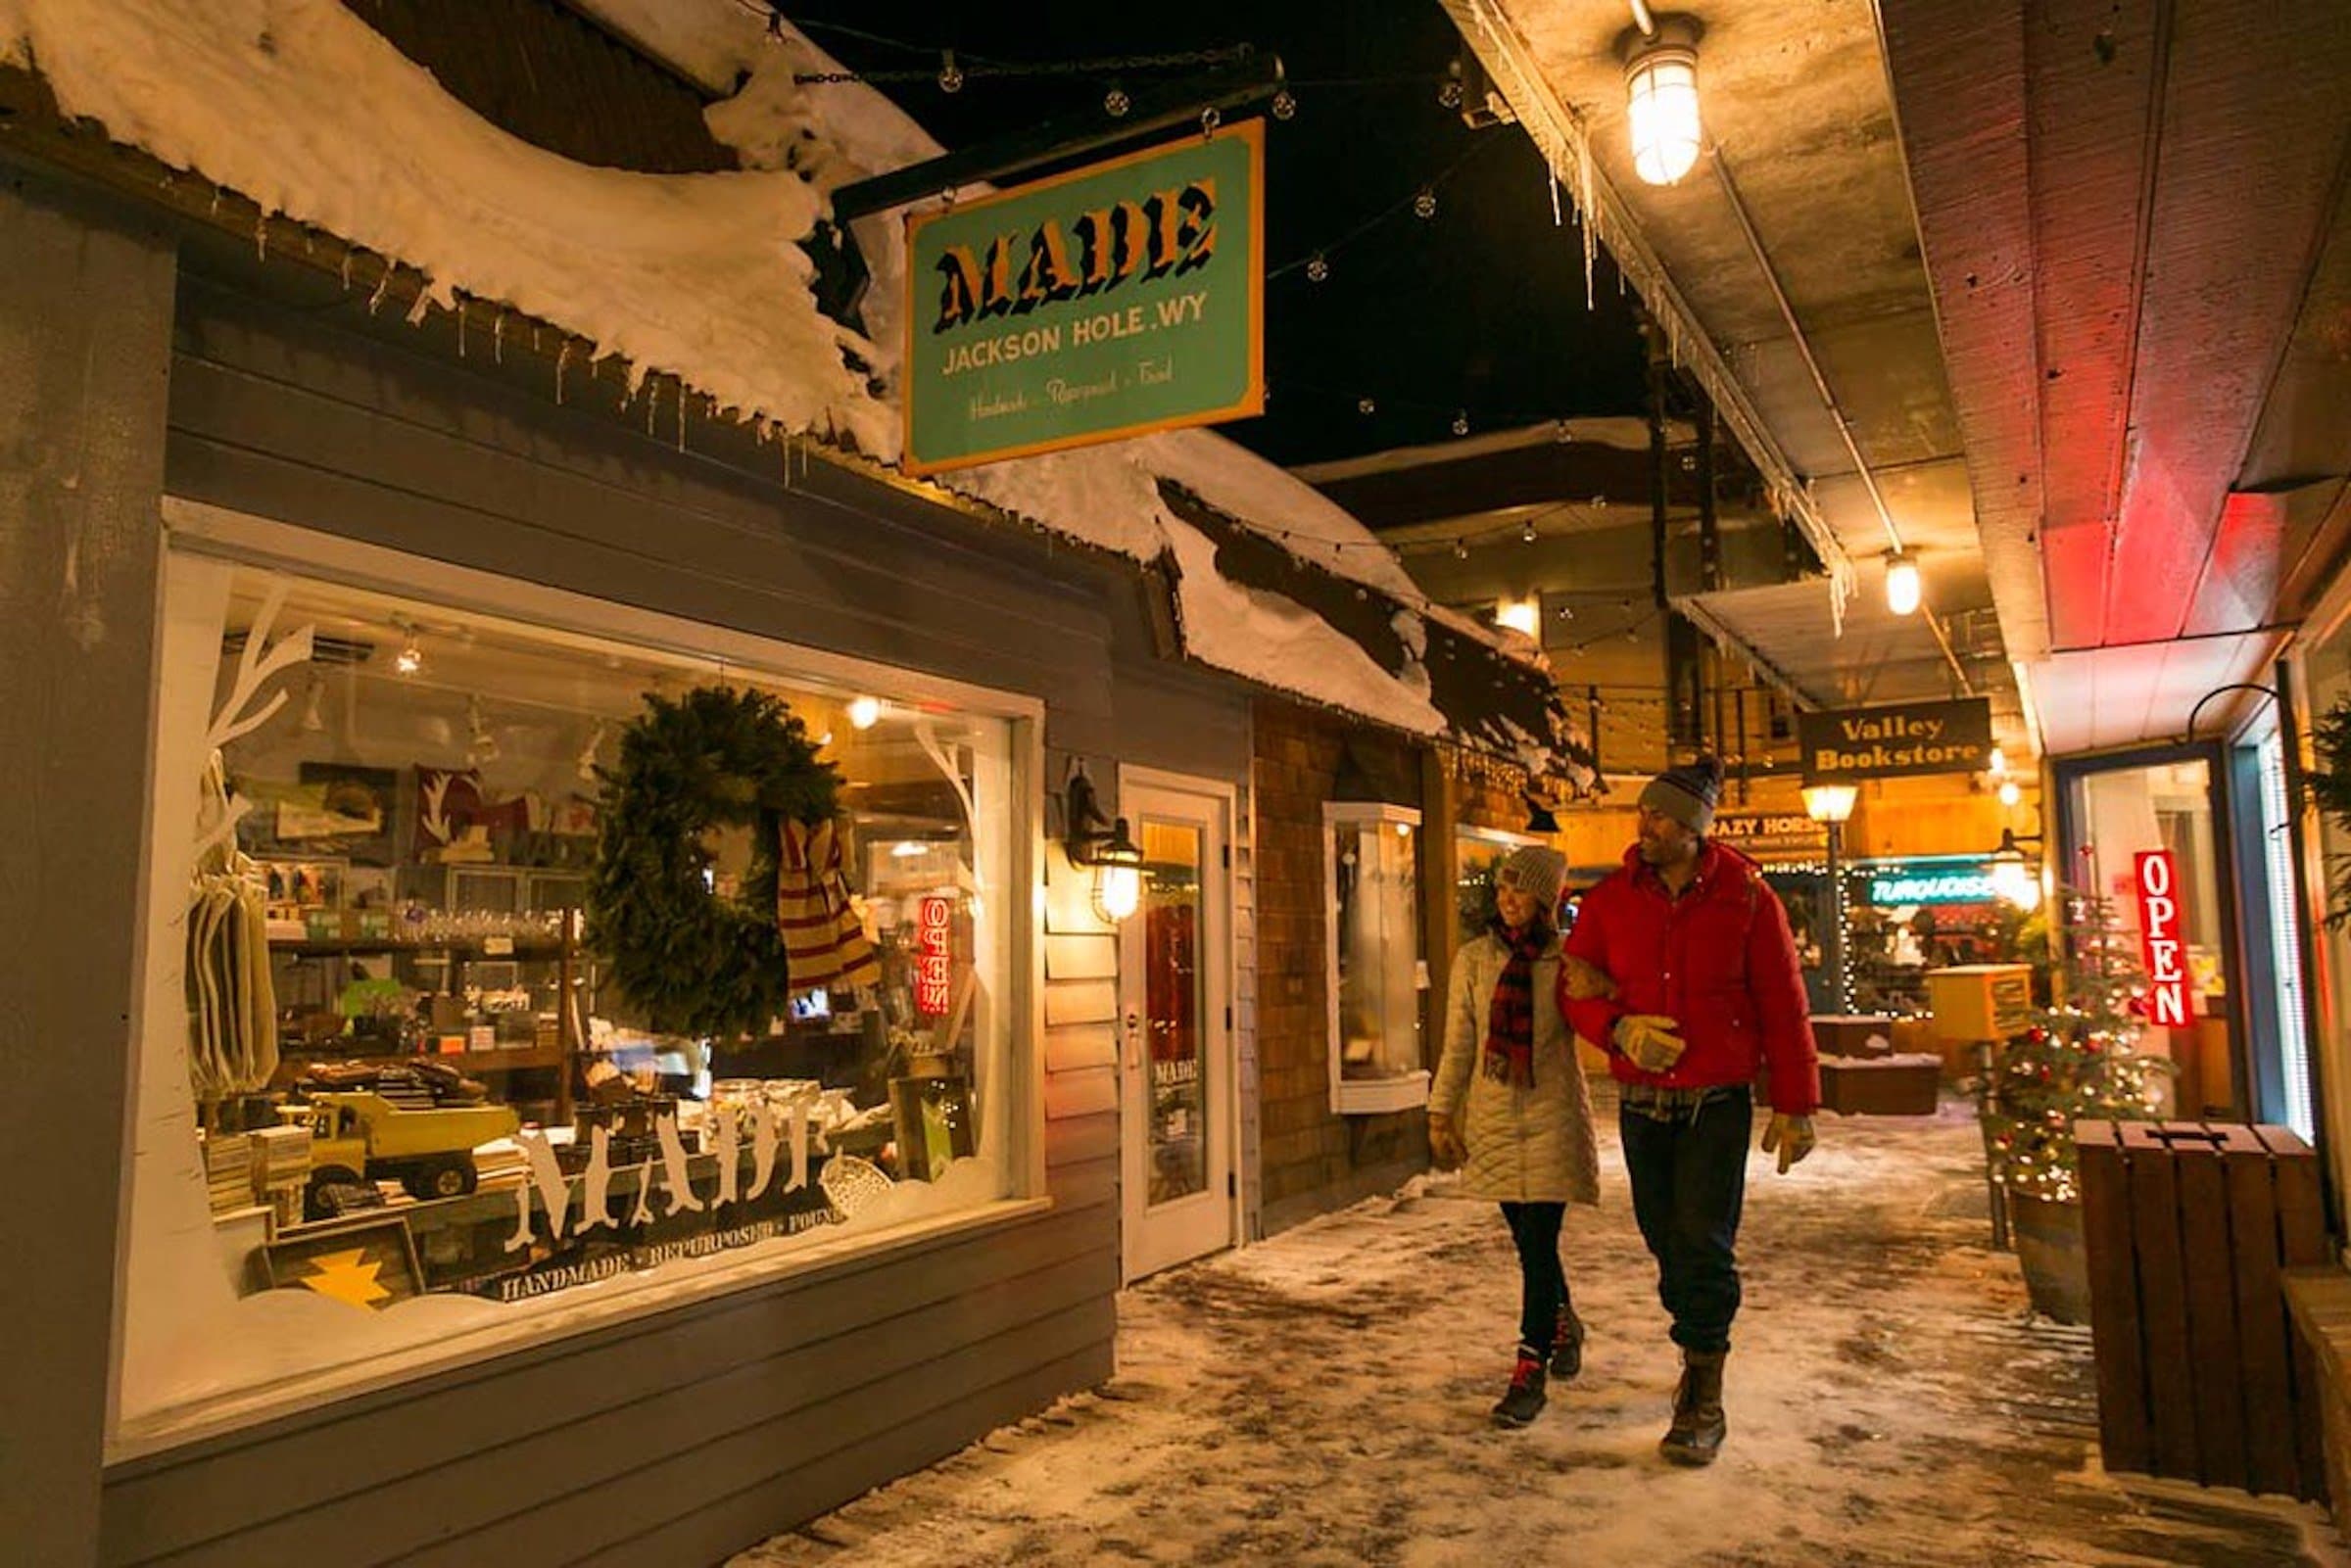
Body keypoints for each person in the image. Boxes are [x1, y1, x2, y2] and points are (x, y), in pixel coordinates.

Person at [1559, 756, 1821, 1466]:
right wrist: (1615, 1028)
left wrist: (1796, 1104)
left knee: (1703, 1239)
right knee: (1663, 1235)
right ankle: (1695, 1331)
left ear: (1695, 828)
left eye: (1661, 816)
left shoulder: (1746, 898)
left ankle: (1703, 1386)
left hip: (1716, 1101)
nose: (1645, 825)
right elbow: (1574, 985)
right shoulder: (1612, 901)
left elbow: (1783, 1002)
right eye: (1644, 812)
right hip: (1642, 1104)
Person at [1428, 844, 1601, 1429]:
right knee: (1530, 1244)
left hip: (1551, 1113)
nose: (1506, 899)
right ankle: (1562, 1320)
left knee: (1538, 1240)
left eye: (1520, 889)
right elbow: (1459, 1045)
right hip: (1495, 1118)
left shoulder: (1566, 960)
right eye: (1502, 888)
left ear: (1546, 900)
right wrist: (1439, 1113)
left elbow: (1600, 1020)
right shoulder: (1474, 959)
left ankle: (1530, 1368)